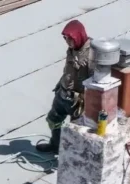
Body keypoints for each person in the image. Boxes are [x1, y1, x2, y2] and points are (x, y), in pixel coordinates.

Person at [36, 20, 92, 154]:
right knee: (53, 119)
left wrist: (87, 99)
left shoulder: (91, 54)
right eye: (65, 38)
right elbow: (68, 71)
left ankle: (73, 155)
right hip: (63, 93)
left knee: (77, 131)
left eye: (70, 38)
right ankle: (56, 145)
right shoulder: (72, 50)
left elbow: (94, 81)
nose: (67, 41)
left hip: (78, 101)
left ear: (78, 36)